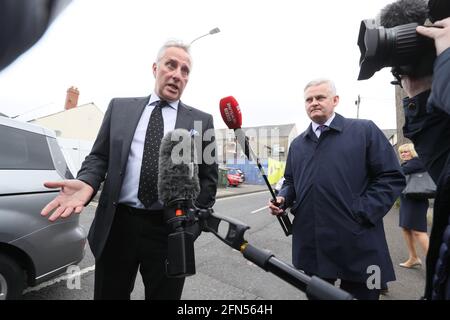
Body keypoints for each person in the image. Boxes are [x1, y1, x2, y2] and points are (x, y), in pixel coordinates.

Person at [41, 40, 218, 300]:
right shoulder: (120, 108)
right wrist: (88, 183)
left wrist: (190, 226)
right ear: (155, 68)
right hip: (117, 226)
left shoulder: (201, 121)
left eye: (185, 70)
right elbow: (99, 157)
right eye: (171, 65)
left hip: (169, 231)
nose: (177, 75)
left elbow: (209, 180)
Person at [268, 78, 406, 300]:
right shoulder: (298, 144)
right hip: (313, 243)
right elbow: (290, 181)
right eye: (309, 99)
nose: (314, 102)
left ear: (335, 100)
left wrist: (362, 210)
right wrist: (283, 198)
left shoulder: (364, 130)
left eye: (320, 97)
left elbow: (391, 176)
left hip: (358, 241)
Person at [398, 17, 450, 299]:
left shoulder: (415, 160)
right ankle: (414, 258)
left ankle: (421, 257)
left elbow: (414, 164)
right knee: (409, 231)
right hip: (408, 197)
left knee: (420, 232)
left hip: (416, 197)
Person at [397, 143, 430, 269]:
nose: (404, 154)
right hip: (407, 200)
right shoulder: (408, 164)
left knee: (418, 232)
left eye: (407, 151)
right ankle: (413, 257)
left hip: (417, 201)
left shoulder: (417, 162)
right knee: (406, 228)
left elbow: (397, 172)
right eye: (402, 152)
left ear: (413, 152)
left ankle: (436, 263)